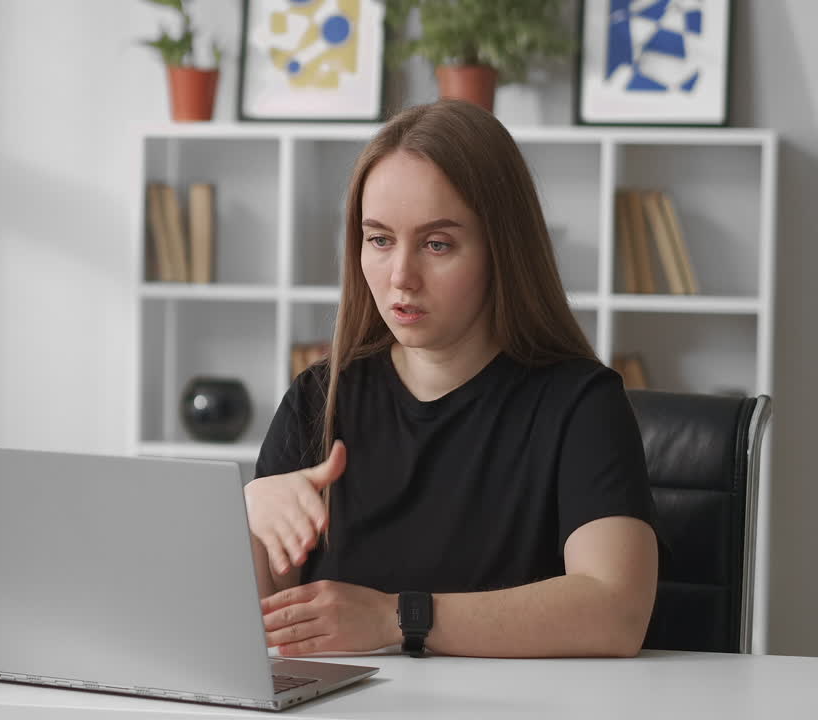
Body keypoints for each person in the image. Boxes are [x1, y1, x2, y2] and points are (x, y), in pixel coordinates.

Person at [247, 99, 660, 659]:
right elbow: (256, 625)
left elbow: (615, 611)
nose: (401, 277)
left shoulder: (581, 405)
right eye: (379, 239)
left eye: (437, 244)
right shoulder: (318, 398)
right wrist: (251, 515)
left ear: (502, 250)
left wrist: (395, 618)